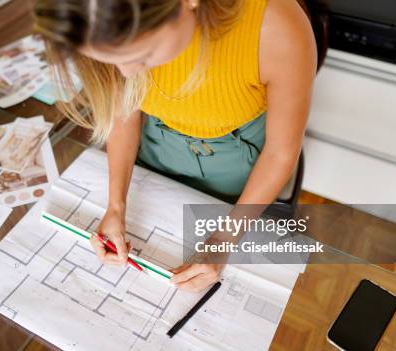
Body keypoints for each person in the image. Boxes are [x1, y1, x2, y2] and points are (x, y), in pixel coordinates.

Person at [33, 0, 317, 292]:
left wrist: (222, 240)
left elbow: (281, 152)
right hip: (155, 149)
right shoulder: (103, 19)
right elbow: (125, 110)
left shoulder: (276, 26)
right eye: (110, 60)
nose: (127, 72)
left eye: (142, 55)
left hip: (241, 167)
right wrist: (115, 206)